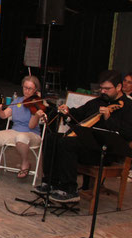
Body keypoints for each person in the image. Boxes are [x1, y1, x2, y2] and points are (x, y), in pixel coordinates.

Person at [36, 70, 132, 202]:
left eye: (107, 89)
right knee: (52, 138)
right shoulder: (98, 102)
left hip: (107, 153)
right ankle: (50, 182)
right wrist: (68, 111)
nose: (103, 92)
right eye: (101, 88)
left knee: (68, 143)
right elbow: (79, 114)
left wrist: (109, 118)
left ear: (119, 87)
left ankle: (69, 189)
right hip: (88, 147)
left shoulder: (128, 107)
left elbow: (127, 134)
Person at [0, 75, 44, 182]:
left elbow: (31, 126)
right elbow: (4, 116)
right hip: (15, 131)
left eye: (30, 88)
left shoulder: (37, 103)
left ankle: (25, 163)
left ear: (35, 89)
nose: (26, 91)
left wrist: (36, 115)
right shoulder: (17, 101)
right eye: (24, 87)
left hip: (31, 134)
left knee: (21, 138)